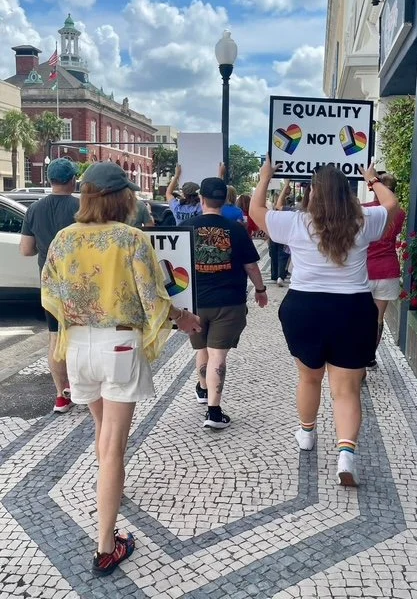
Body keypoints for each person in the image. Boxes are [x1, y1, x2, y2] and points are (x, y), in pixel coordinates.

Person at [41, 161, 200, 576]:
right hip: (119, 345)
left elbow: (50, 292)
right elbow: (153, 299)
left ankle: (112, 491)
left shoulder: (63, 238)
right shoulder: (130, 239)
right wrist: (184, 320)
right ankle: (106, 546)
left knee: (102, 432)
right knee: (113, 447)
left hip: (77, 345)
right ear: (123, 198)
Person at [250, 156, 398, 487]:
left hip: (305, 307)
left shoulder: (296, 222)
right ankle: (347, 453)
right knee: (346, 389)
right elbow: (393, 204)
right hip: (353, 309)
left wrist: (265, 177)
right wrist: (372, 179)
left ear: (313, 193)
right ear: (346, 193)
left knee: (309, 378)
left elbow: (256, 211)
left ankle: (306, 433)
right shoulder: (364, 220)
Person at [184, 177, 268, 429]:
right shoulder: (236, 229)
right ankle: (214, 412)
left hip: (195, 303)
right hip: (228, 301)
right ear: (224, 200)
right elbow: (251, 265)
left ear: (201, 199)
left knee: (202, 350)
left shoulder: (186, 227)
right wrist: (261, 290)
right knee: (217, 355)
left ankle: (202, 389)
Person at [20, 158, 80, 414]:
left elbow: (26, 250)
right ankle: (80, 390)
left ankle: (60, 396)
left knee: (55, 337)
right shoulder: (82, 206)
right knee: (80, 337)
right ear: (72, 180)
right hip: (81, 282)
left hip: (50, 282)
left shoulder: (34, 208)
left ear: (49, 179)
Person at [363, 173, 406, 369]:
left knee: (360, 316)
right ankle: (370, 356)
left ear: (374, 188)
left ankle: (357, 357)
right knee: (377, 319)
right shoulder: (400, 213)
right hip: (388, 270)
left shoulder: (363, 210)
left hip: (364, 270)